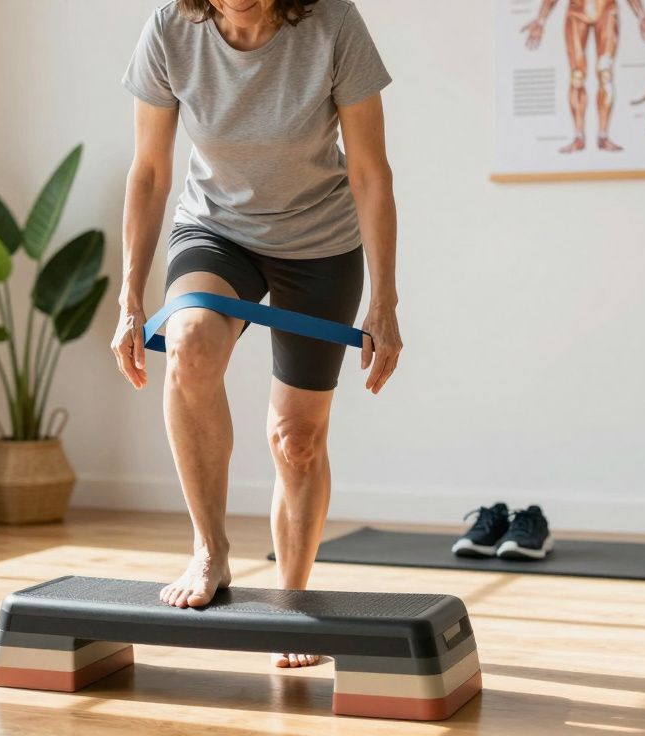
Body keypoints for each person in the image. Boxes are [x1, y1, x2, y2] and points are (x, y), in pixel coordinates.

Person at [111, 0, 401, 669]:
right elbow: (151, 171)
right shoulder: (169, 30)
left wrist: (384, 300)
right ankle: (210, 550)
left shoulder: (332, 24)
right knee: (188, 343)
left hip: (320, 243)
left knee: (297, 440)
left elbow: (369, 171)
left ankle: (293, 599)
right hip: (216, 230)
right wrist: (131, 295)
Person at [521, 0, 645, 153]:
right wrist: (541, 20)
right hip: (577, 13)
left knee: (605, 74)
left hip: (607, 12)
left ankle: (603, 136)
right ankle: (579, 137)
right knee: (577, 76)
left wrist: (641, 15)